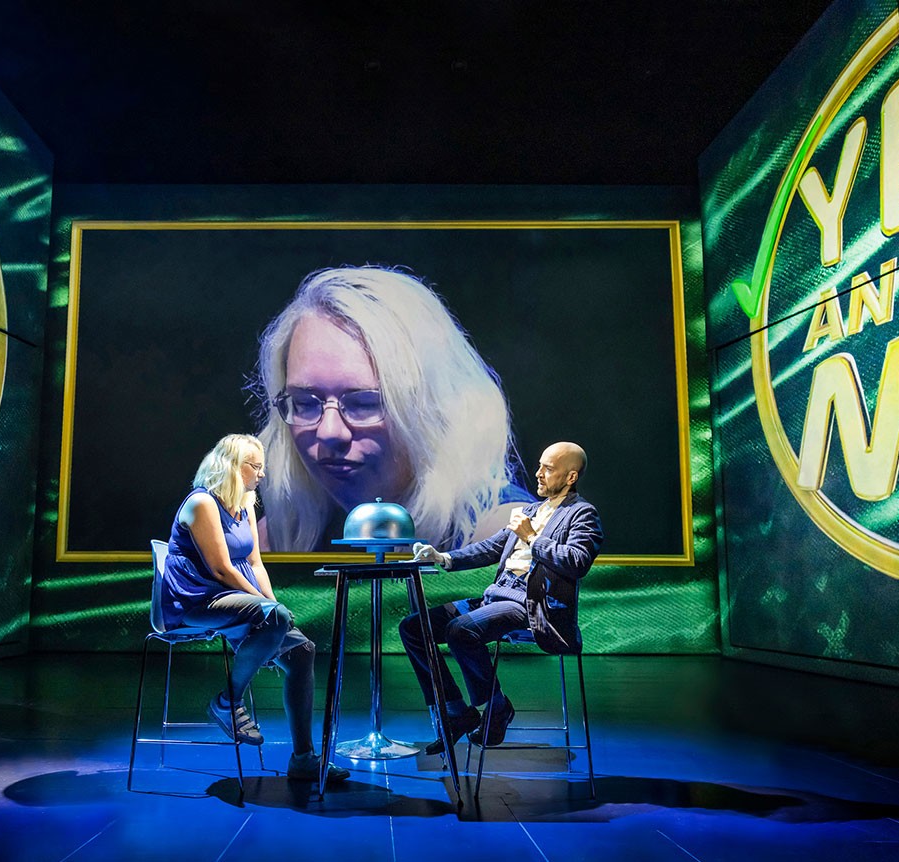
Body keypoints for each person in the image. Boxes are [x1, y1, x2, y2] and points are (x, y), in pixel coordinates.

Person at [250, 264, 531, 553]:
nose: (329, 432)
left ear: (435, 406)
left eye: (364, 403)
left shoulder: (505, 538)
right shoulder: (281, 537)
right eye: (305, 403)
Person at [156, 433, 348, 784]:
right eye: (255, 467)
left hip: (238, 600)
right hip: (199, 600)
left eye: (263, 467)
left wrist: (272, 602)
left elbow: (255, 563)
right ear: (231, 466)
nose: (262, 474)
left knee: (303, 650)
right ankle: (227, 701)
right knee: (272, 616)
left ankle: (303, 758)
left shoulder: (244, 502)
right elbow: (221, 569)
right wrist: (267, 607)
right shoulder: (202, 503)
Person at [398, 441, 603, 753]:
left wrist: (532, 538)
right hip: (496, 598)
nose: (539, 474)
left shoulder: (581, 514)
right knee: (413, 627)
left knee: (461, 630)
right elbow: (491, 548)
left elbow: (577, 561)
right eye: (540, 466)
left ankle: (496, 707)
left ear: (571, 477)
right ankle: (455, 711)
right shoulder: (530, 511)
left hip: (532, 605)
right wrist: (443, 558)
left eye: (548, 469)